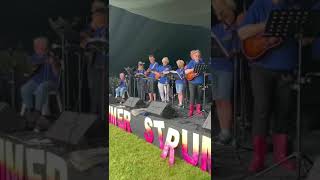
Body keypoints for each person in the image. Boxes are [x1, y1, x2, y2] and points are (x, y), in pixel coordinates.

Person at [238, 0, 299, 173]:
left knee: (284, 111)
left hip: (287, 67)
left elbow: (306, 39)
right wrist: (266, 25)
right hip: (261, 68)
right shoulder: (259, 5)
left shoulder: (293, 7)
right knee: (261, 110)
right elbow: (242, 33)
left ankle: (281, 156)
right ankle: (259, 157)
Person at [211, 0, 238, 145]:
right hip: (213, 66)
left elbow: (237, 48)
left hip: (226, 68)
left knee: (225, 99)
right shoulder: (215, 29)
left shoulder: (235, 29)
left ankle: (227, 131)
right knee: (218, 100)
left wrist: (233, 51)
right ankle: (223, 131)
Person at [21, 37, 60, 131]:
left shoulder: (52, 56)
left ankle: (37, 114)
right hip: (36, 81)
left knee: (41, 88)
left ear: (44, 47)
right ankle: (30, 113)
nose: (36, 48)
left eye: (38, 46)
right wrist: (39, 61)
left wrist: (53, 63)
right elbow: (30, 68)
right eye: (36, 46)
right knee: (24, 89)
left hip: (51, 82)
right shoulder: (35, 56)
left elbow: (57, 74)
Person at [81, 8, 107, 114]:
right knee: (94, 92)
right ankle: (95, 116)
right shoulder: (95, 31)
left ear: (102, 17)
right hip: (94, 64)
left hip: (104, 64)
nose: (93, 19)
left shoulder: (106, 29)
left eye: (95, 17)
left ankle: (103, 117)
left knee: (102, 93)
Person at [185, 50, 205, 117]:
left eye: (198, 56)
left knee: (199, 96)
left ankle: (198, 110)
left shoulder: (202, 62)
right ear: (193, 56)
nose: (197, 57)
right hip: (192, 82)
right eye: (196, 56)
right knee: (192, 96)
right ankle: (191, 110)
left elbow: (204, 70)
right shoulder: (191, 62)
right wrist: (193, 70)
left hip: (200, 81)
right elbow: (186, 72)